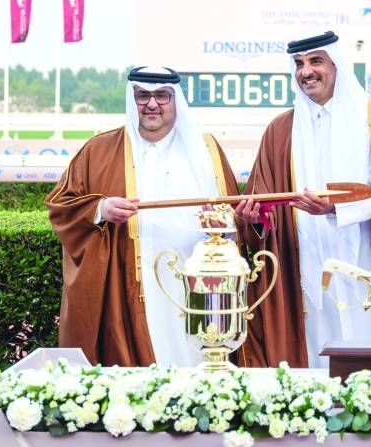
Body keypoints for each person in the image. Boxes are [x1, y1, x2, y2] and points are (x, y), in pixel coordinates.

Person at [234, 31, 371, 369]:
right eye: (299, 64)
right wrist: (254, 218)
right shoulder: (280, 130)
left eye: (315, 61)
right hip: (305, 276)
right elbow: (264, 210)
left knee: (368, 364)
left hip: (368, 267)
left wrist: (334, 208)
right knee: (314, 363)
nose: (306, 71)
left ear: (336, 65)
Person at [46, 66, 238, 367]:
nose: (152, 104)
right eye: (142, 96)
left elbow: (234, 217)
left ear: (176, 100)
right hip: (129, 285)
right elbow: (61, 206)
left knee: (194, 362)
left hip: (195, 284)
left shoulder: (206, 150)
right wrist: (101, 208)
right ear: (131, 98)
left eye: (162, 96)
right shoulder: (99, 149)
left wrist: (224, 226)